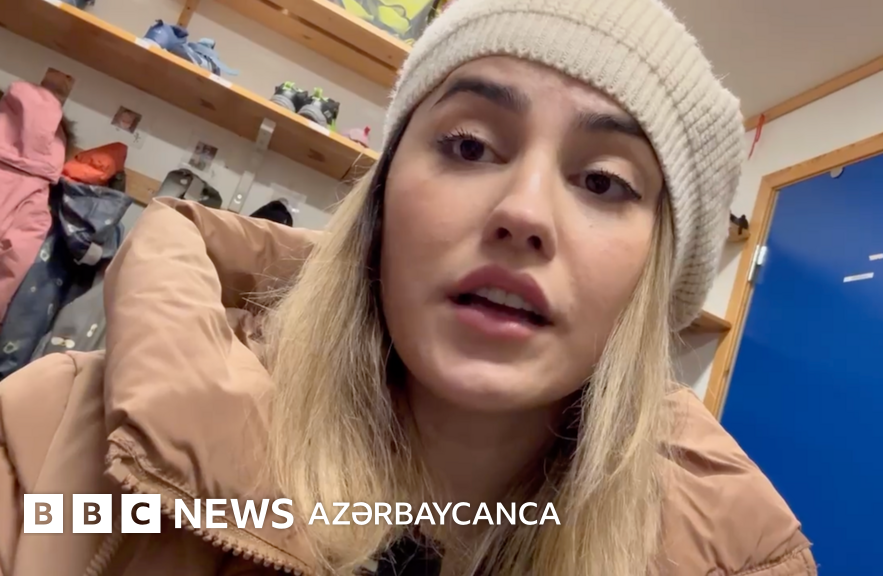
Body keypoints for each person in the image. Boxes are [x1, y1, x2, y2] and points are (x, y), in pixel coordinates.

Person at [0, 0, 816, 575]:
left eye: (603, 182)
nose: (524, 212)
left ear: (655, 278)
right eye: (469, 145)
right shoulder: (53, 436)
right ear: (382, 201)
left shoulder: (733, 560)